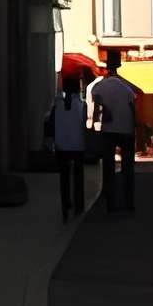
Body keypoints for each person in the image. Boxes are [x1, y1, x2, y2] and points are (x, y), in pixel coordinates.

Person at [86, 49, 140, 217]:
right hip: (126, 130)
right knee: (128, 169)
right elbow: (133, 108)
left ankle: (111, 203)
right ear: (118, 67)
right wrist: (134, 128)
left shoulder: (99, 87)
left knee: (108, 168)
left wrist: (93, 125)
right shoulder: (126, 87)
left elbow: (96, 110)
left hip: (108, 131)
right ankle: (129, 202)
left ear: (106, 68)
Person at [48, 70, 90, 219]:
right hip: (78, 146)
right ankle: (79, 205)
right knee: (78, 177)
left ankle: (65, 204)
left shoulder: (57, 104)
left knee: (64, 177)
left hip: (61, 146)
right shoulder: (81, 105)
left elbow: (50, 124)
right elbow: (84, 125)